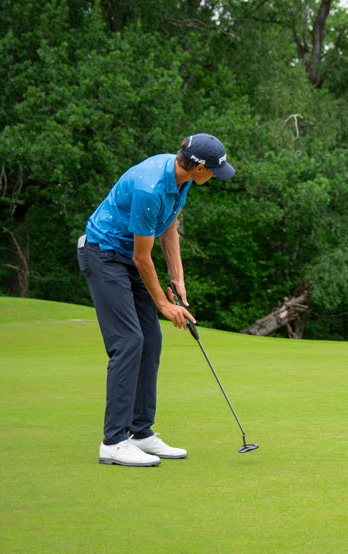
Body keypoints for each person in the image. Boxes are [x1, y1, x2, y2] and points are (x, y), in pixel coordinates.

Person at [77, 133, 235, 466]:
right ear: (197, 166)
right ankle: (113, 442)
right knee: (129, 341)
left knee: (150, 340)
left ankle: (141, 433)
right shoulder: (149, 187)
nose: (216, 178)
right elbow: (141, 258)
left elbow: (168, 227)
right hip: (104, 255)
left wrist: (177, 278)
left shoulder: (182, 181)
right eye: (214, 171)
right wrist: (164, 305)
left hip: (129, 257)